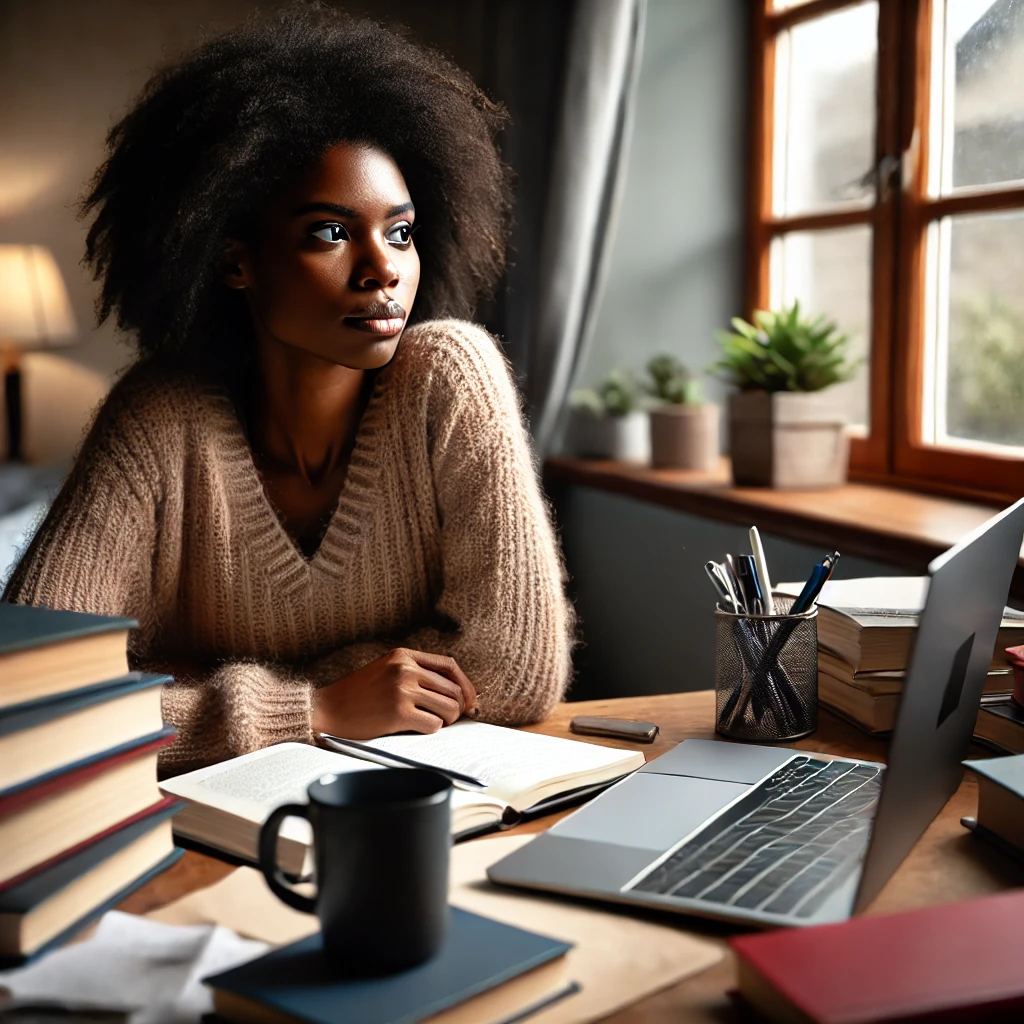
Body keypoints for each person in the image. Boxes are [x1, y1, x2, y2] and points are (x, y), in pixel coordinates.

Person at [3, 5, 574, 774]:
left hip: (420, 801)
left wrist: (174, 696)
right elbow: (26, 696)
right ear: (235, 261)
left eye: (400, 232)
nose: (383, 269)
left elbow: (516, 673)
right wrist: (320, 709)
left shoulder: (451, 376)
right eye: (331, 232)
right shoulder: (162, 421)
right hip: (212, 818)